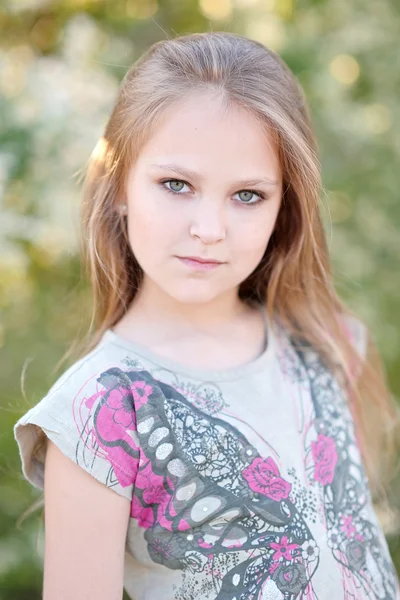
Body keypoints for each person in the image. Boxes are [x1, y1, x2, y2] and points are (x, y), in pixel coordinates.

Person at [14, 32, 400, 600]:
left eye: (247, 195)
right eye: (177, 185)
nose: (210, 229)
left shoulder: (325, 344)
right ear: (119, 186)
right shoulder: (101, 410)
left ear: (283, 206)